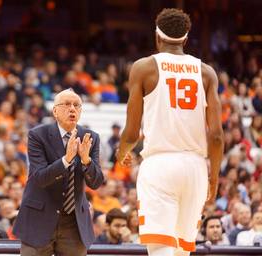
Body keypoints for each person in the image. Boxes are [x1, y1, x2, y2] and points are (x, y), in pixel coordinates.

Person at [116, 8, 223, 256]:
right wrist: (214, 178)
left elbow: (132, 133)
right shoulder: (207, 72)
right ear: (186, 40)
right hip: (195, 167)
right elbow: (216, 136)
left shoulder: (143, 67)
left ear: (157, 37)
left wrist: (122, 153)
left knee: (161, 249)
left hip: (160, 164)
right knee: (181, 252)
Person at [12, 88, 103, 256]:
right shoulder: (37, 135)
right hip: (39, 218)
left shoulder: (91, 137)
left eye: (76, 105)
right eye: (67, 104)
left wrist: (85, 161)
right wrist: (66, 160)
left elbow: (96, 183)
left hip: (73, 222)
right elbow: (40, 178)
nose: (72, 109)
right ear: (55, 111)